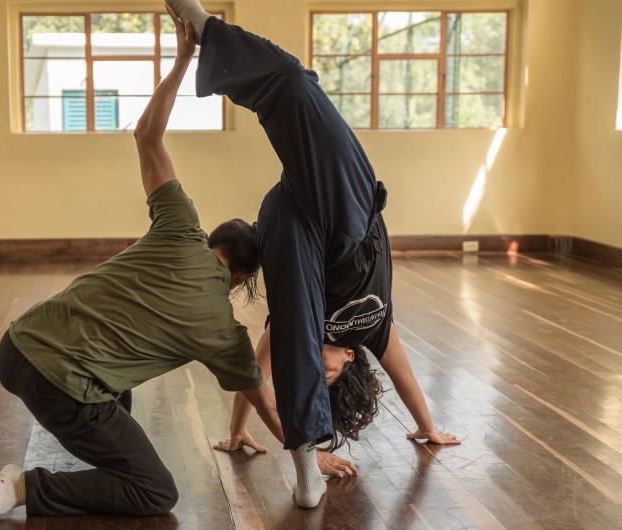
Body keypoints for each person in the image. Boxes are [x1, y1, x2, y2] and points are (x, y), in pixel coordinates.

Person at [0, 9, 285, 527]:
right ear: (244, 278)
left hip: (16, 346)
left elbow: (147, 136)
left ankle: (101, 454)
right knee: (155, 491)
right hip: (56, 383)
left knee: (118, 389)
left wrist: (182, 61)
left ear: (209, 239)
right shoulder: (222, 333)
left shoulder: (179, 225)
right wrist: (308, 454)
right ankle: (25, 486)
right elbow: (264, 401)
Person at [164, 0, 459, 508]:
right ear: (350, 358)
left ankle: (305, 453)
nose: (321, 367)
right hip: (350, 220)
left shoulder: (295, 331)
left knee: (294, 319)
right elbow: (406, 379)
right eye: (330, 373)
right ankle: (207, 29)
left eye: (315, 376)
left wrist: (237, 432)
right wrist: (427, 428)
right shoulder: (374, 333)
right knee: (296, 87)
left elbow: (250, 372)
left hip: (293, 232)